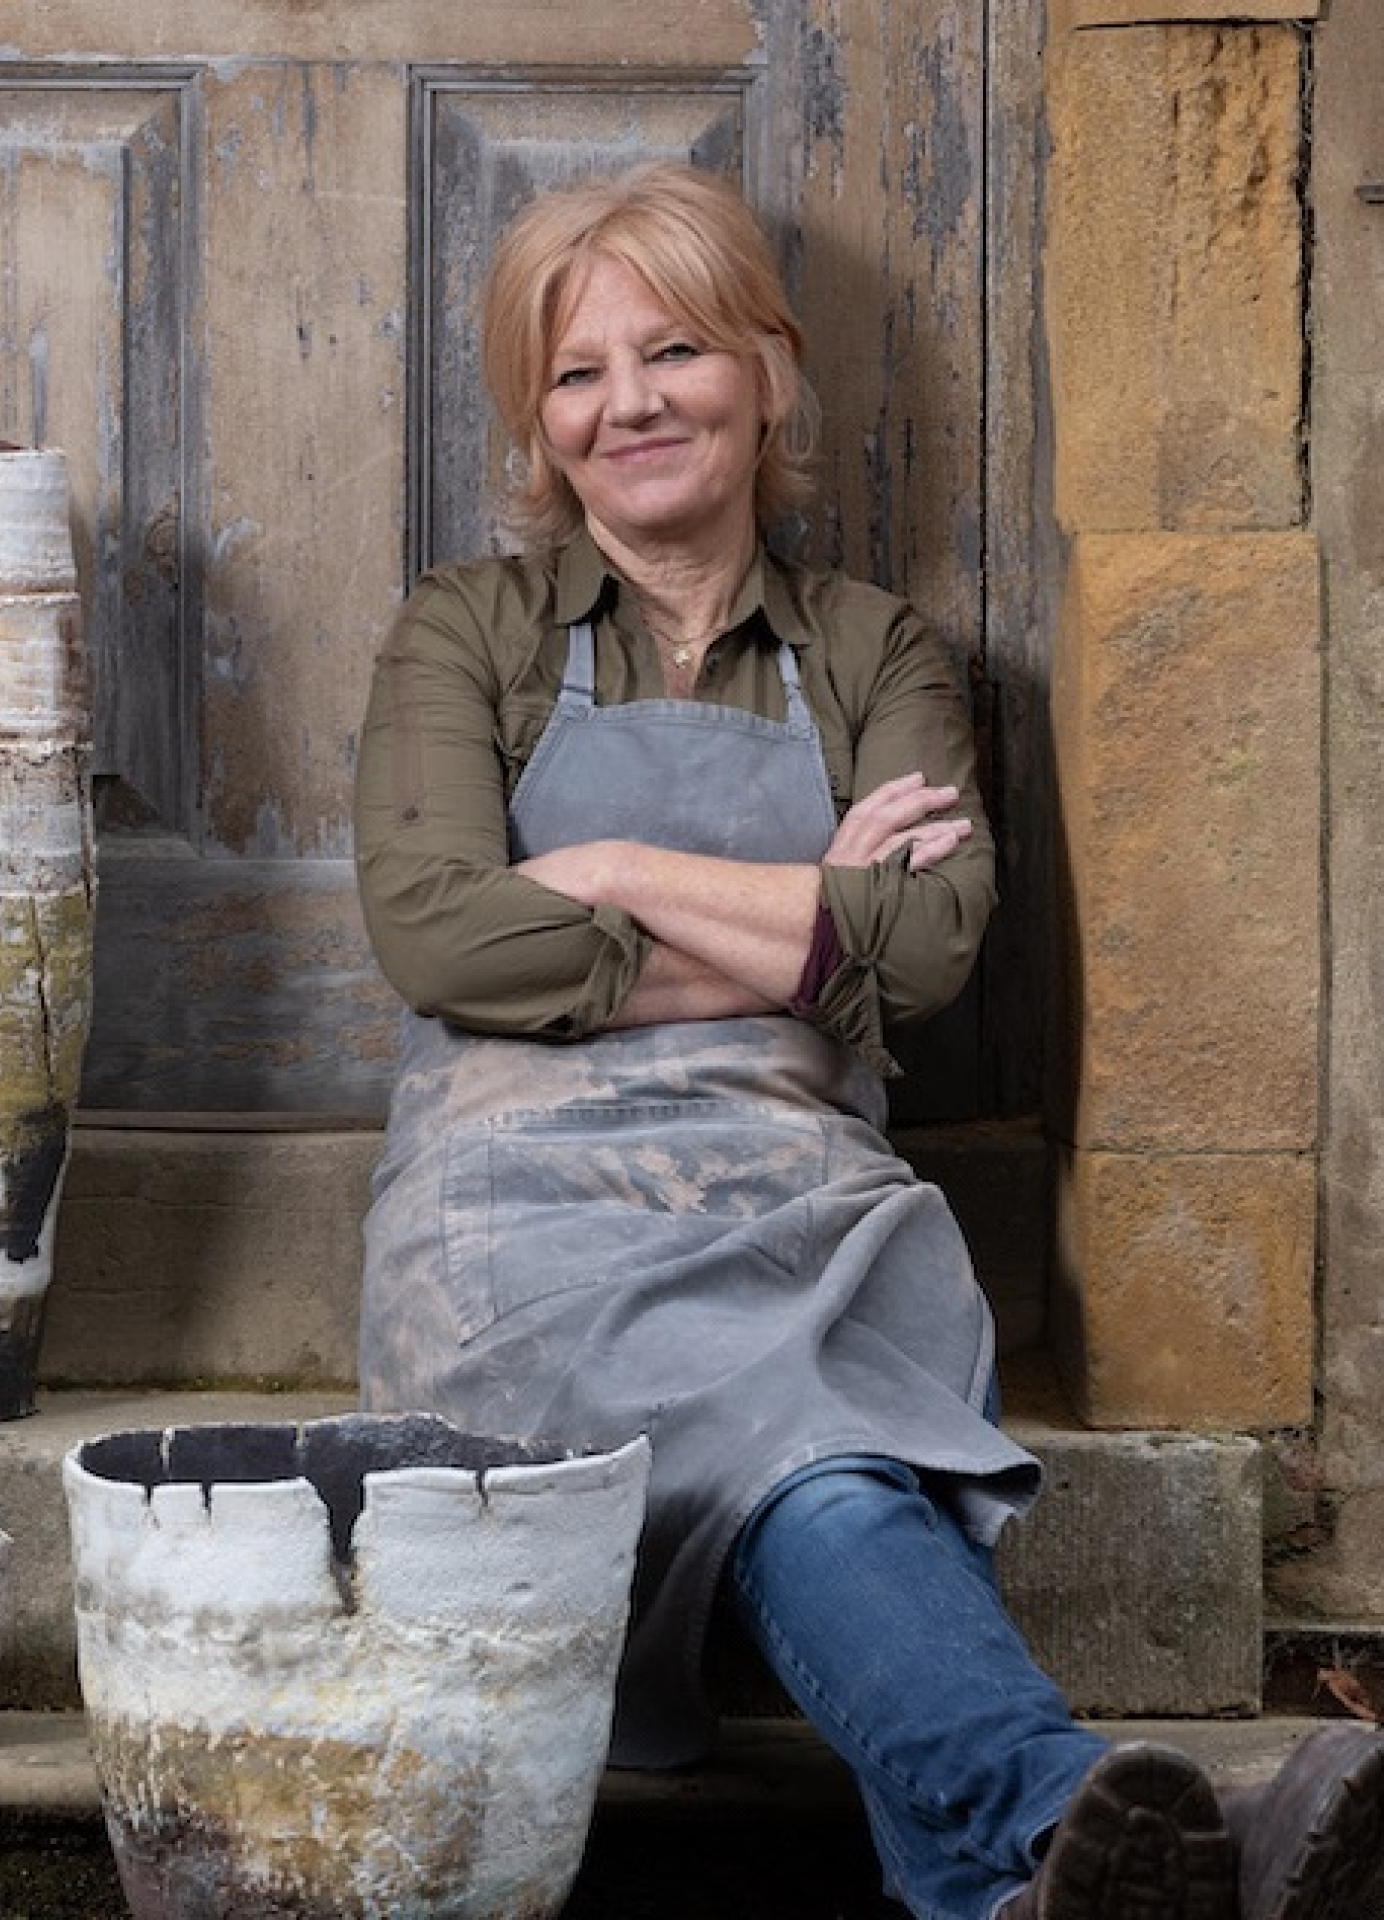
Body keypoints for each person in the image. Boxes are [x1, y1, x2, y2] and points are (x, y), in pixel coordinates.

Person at [352, 162, 1384, 1920]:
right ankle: (1075, 1819)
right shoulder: (470, 631)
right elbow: (442, 936)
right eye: (576, 373)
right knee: (816, 1463)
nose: (630, 404)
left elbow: (925, 953)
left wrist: (598, 875)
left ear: (766, 365)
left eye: (672, 348)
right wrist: (795, 916)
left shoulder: (873, 650)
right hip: (516, 1221)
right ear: (539, 421)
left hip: (803, 1198)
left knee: (821, 1456)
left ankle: (1038, 1876)